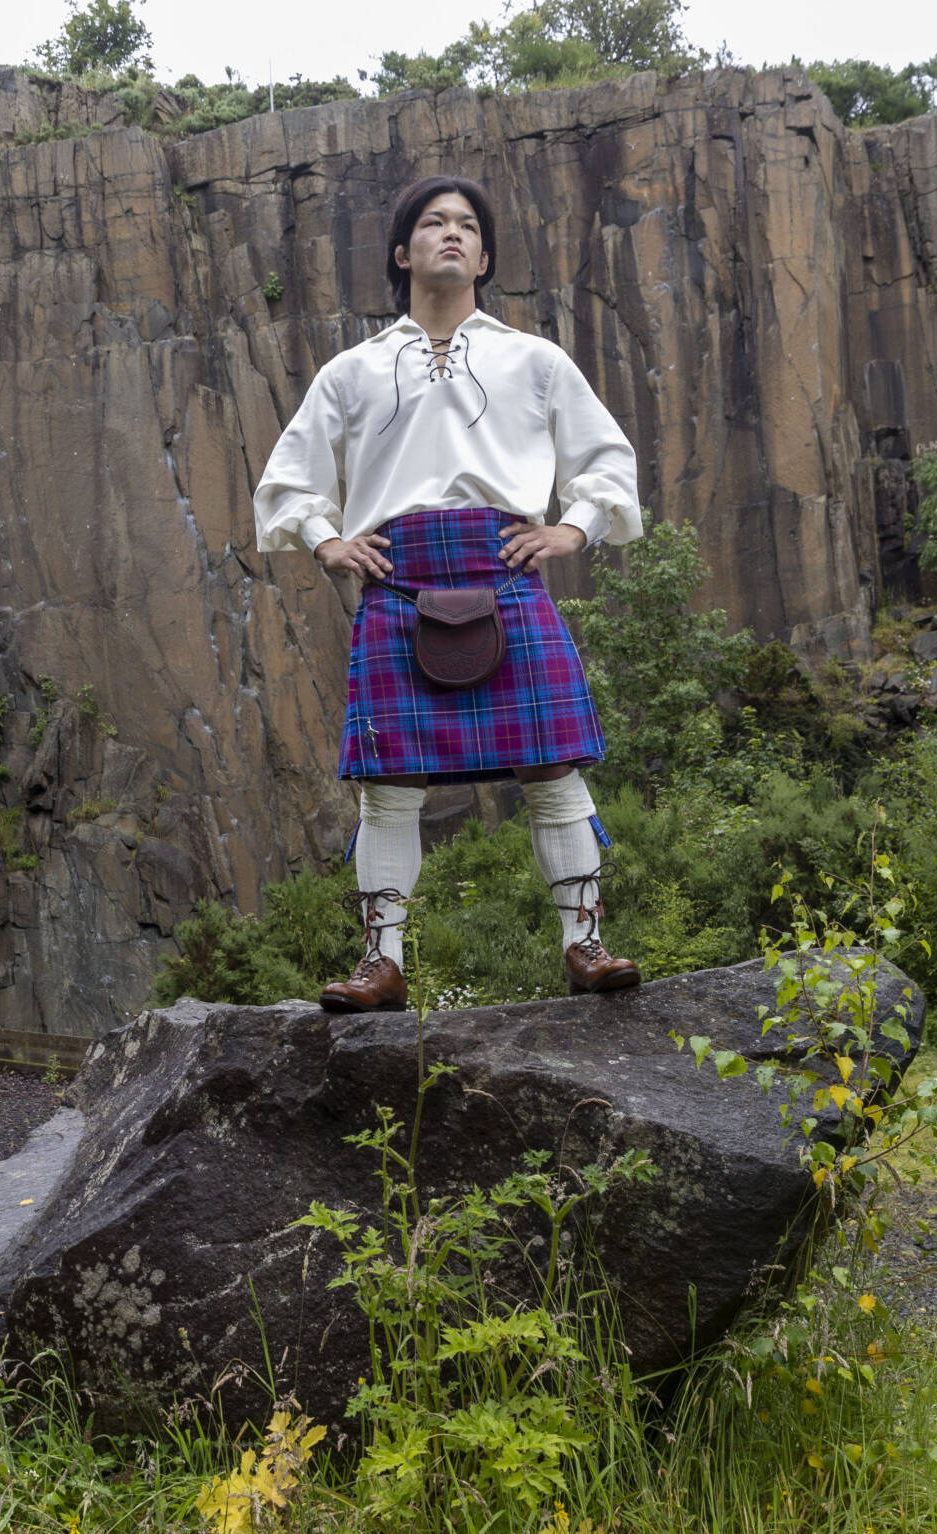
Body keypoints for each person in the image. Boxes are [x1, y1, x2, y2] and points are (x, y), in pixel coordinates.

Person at [254, 174, 644, 1013]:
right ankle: (381, 962)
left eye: (467, 225)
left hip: (503, 567)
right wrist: (327, 540)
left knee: (551, 770)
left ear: (484, 254)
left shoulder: (533, 360)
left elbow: (606, 462)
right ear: (403, 253)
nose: (452, 234)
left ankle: (583, 943)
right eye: (433, 223)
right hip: (398, 577)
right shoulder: (353, 371)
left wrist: (570, 530)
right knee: (388, 786)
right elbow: (288, 480)